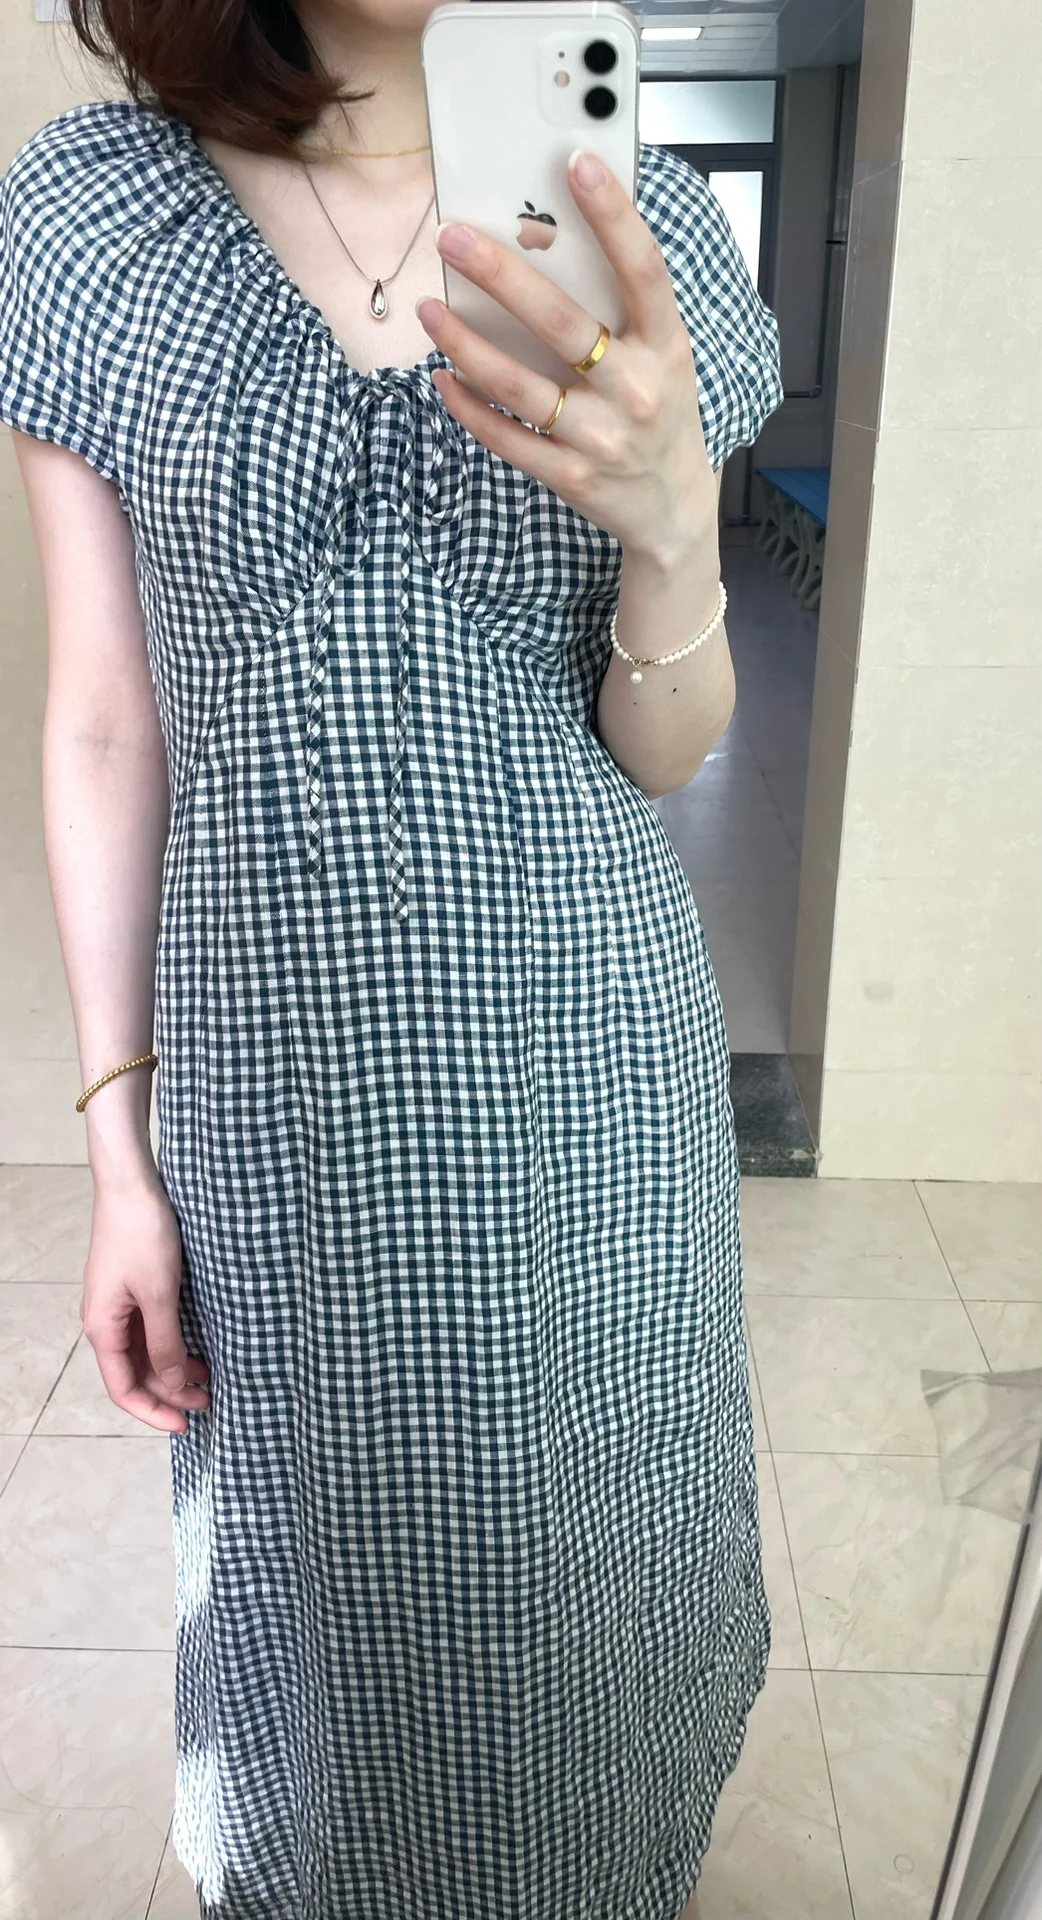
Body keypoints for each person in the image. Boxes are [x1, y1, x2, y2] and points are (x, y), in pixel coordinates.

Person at [0, 0, 784, 1914]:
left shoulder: (638, 219)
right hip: (272, 1087)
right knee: (318, 1599)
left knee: (587, 1556)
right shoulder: (89, 214)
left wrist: (672, 534)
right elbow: (102, 720)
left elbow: (661, 745)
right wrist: (116, 1148)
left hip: (584, 1062)